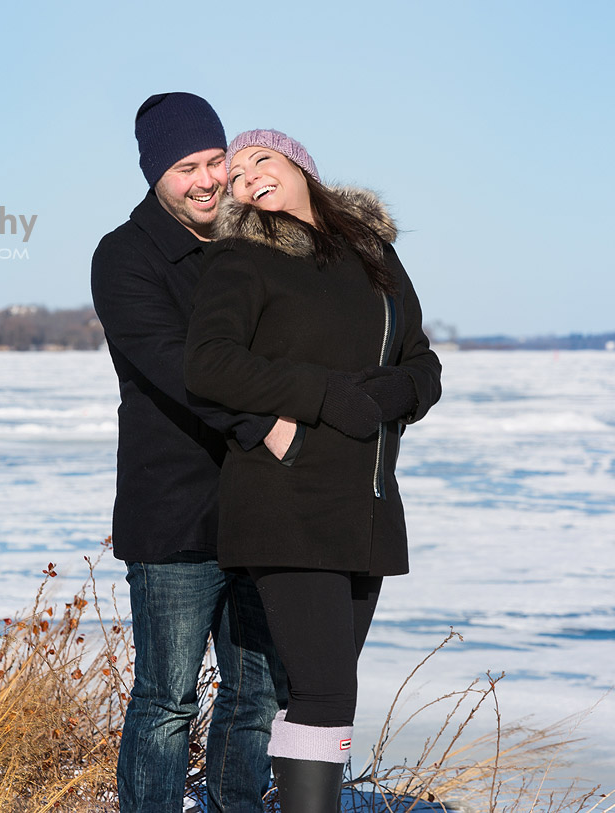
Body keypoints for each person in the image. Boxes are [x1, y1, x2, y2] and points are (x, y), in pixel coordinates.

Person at [184, 129, 442, 811]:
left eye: (261, 159)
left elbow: (421, 363)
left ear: (301, 164)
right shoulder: (242, 259)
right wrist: (326, 398)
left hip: (367, 503)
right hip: (286, 501)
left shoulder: (373, 252)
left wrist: (384, 397)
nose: (247, 177)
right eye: (235, 175)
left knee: (318, 692)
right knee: (328, 690)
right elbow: (208, 363)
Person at [90, 95, 289, 813]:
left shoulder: (253, 246)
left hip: (259, 507)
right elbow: (178, 369)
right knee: (167, 700)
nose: (205, 181)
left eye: (215, 163)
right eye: (186, 168)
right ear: (154, 174)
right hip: (174, 509)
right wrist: (268, 421)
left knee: (254, 691)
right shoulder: (125, 255)